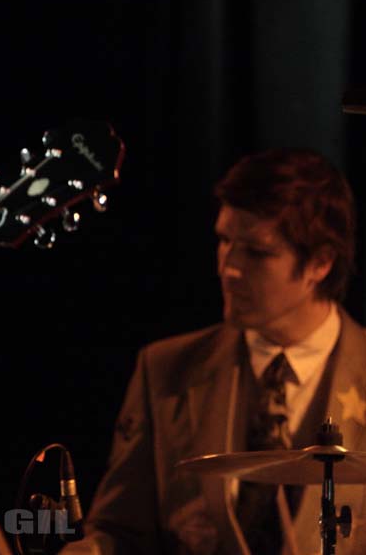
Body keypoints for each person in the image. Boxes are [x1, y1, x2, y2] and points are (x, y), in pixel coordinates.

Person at [63, 149, 366, 554]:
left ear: (320, 263)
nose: (229, 267)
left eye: (257, 252)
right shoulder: (165, 370)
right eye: (224, 241)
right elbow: (121, 531)